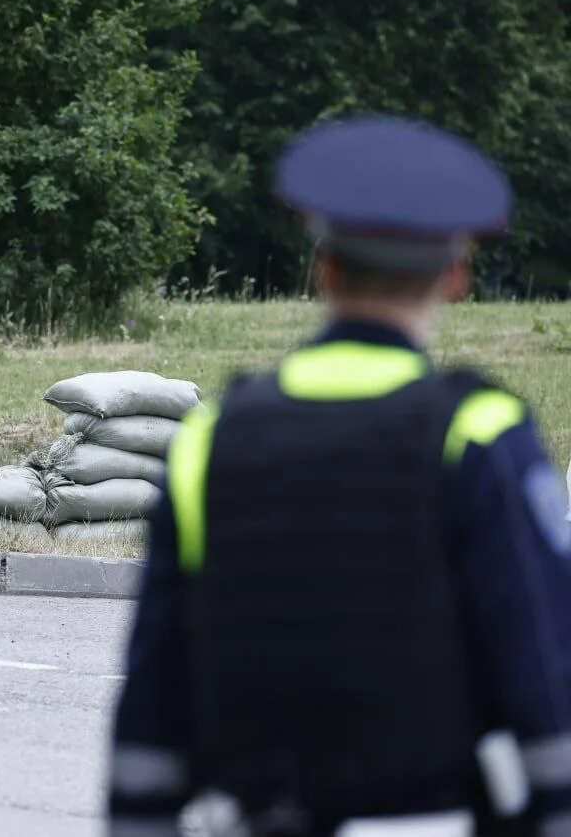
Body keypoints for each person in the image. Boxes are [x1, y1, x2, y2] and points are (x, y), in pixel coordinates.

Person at [109, 118, 571, 836]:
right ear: (456, 276)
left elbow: (150, 717)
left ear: (323, 267)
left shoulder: (209, 440)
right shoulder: (478, 436)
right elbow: (545, 681)